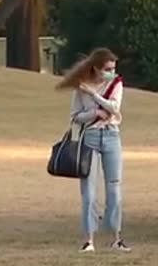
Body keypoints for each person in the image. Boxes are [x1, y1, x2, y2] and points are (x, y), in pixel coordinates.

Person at [55, 47, 130, 252]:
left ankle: (116, 237)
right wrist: (93, 112)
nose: (110, 72)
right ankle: (89, 240)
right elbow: (75, 116)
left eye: (113, 68)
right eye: (106, 69)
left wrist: (95, 96)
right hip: (90, 137)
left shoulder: (116, 84)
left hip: (112, 135)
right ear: (96, 68)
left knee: (114, 188)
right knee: (88, 191)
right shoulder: (81, 87)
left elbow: (114, 108)